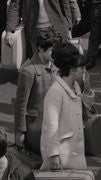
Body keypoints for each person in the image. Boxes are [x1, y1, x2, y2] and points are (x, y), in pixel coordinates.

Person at [39, 42, 91, 172]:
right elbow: (50, 126)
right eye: (82, 68)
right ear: (72, 70)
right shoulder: (55, 92)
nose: (84, 70)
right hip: (63, 155)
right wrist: (54, 155)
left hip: (74, 151)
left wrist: (88, 90)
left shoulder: (76, 86)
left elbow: (86, 109)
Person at [13, 28, 63, 155]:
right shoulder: (28, 72)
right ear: (40, 48)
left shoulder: (55, 66)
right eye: (52, 50)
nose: (56, 53)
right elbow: (20, 105)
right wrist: (20, 132)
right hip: (36, 130)